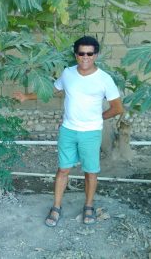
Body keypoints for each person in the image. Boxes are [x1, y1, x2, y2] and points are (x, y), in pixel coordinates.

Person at [14, 36, 123, 226]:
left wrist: (98, 118)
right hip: (68, 131)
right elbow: (52, 90)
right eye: (81, 53)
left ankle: (88, 206)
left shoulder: (105, 79)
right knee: (63, 169)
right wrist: (26, 96)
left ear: (96, 55)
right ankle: (56, 207)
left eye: (90, 53)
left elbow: (117, 107)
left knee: (90, 171)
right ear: (76, 55)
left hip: (90, 133)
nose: (85, 57)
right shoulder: (68, 73)